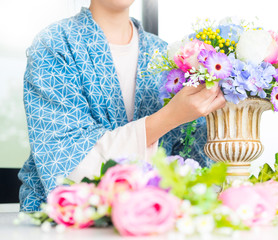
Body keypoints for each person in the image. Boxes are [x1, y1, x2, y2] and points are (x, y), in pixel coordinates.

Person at [18, 0, 226, 212]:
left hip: (154, 218)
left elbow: (194, 161)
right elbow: (67, 163)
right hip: (67, 220)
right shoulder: (54, 44)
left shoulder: (167, 55)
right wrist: (170, 116)